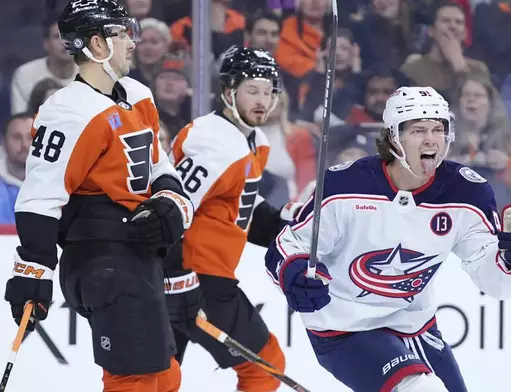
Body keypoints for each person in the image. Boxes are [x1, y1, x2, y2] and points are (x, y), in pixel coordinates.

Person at [265, 86, 511, 392]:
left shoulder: (467, 192)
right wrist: (293, 274)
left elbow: (497, 284)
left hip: (415, 327)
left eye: (438, 129)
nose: (430, 139)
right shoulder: (344, 185)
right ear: (393, 137)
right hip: (344, 329)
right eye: (418, 130)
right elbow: (287, 246)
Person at [3, 1, 193, 391]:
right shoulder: (67, 111)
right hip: (102, 261)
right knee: (133, 379)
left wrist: (170, 200)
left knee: (165, 375)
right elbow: (40, 196)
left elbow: (159, 163)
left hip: (138, 258)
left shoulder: (137, 94)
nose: (130, 43)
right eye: (121, 34)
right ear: (96, 44)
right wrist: (33, 271)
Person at [163, 46, 301, 392]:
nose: (262, 100)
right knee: (265, 368)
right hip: (195, 278)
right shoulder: (214, 142)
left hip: (202, 278)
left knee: (160, 378)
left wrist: (287, 223)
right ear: (228, 92)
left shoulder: (255, 140)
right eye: (252, 90)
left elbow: (240, 212)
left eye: (269, 92)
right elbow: (168, 210)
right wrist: (178, 280)